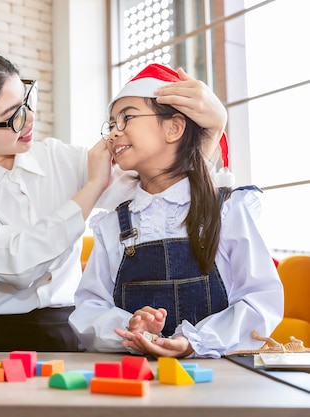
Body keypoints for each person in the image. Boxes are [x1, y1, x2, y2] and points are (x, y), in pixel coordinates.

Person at [0, 48, 228, 352]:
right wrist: (92, 187)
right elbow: (17, 265)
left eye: (26, 101)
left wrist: (213, 131)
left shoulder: (56, 156)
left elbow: (158, 185)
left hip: (64, 332)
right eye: (13, 117)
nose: (30, 119)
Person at [68, 63, 284, 358]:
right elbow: (89, 309)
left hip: (221, 378)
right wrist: (130, 327)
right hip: (138, 382)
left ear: (173, 128)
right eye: (111, 124)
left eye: (126, 117)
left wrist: (196, 341)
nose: (113, 134)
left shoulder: (226, 211)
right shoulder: (113, 226)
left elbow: (261, 301)